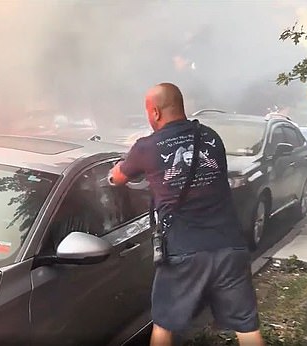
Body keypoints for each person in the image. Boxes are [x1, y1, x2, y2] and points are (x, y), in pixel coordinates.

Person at [108, 83, 265, 346]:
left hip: (183, 250)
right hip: (229, 245)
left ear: (155, 112)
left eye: (148, 112)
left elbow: (118, 177)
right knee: (247, 328)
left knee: (164, 326)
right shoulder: (211, 137)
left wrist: (115, 172)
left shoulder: (146, 147)